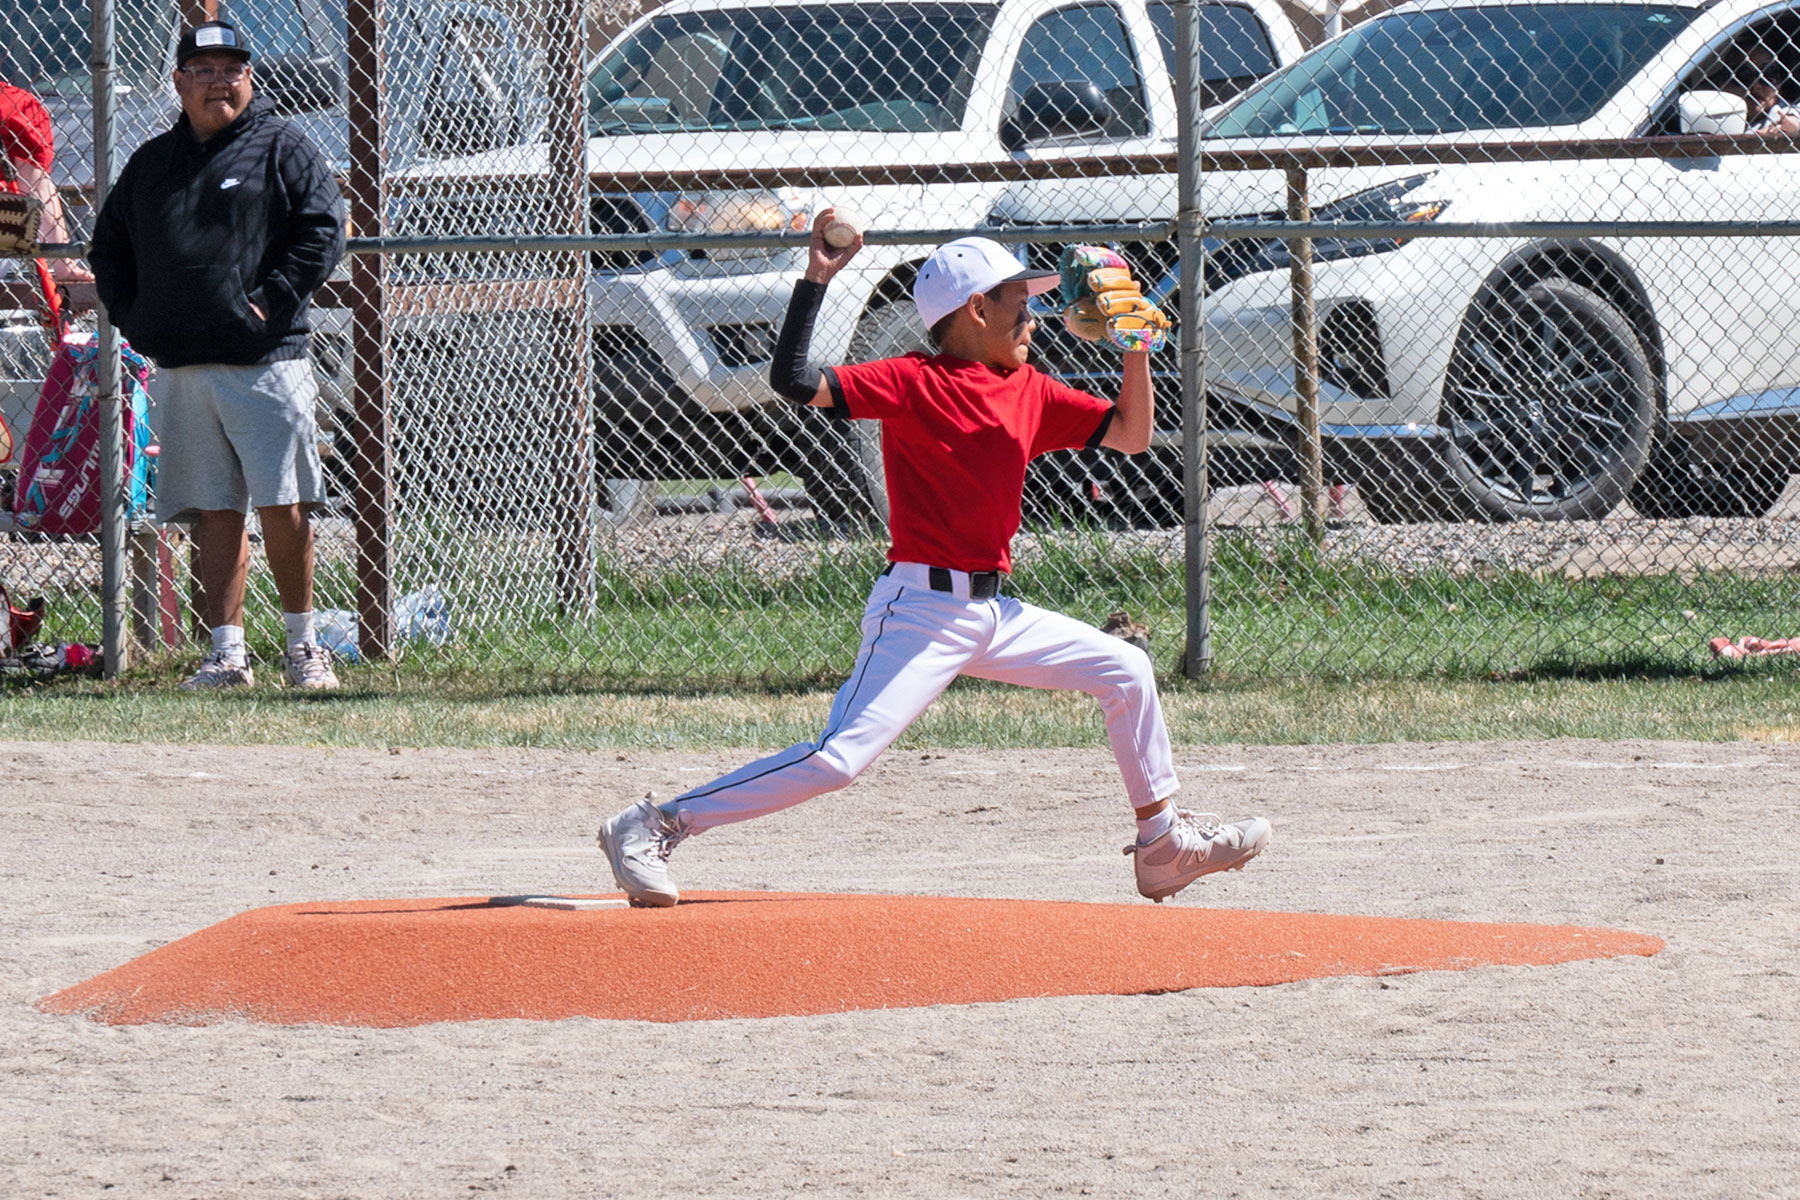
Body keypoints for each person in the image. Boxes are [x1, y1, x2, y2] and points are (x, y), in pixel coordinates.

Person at [598, 215, 1272, 907]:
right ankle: (653, 824)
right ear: (976, 309)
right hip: (919, 611)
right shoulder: (913, 381)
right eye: (1019, 302)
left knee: (1125, 668)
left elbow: (1131, 434)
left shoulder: (1030, 390)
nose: (1032, 316)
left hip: (994, 609)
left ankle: (1161, 846)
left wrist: (1137, 351)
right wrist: (818, 278)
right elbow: (794, 378)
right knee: (838, 760)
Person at [88, 20, 346, 690]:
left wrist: (271, 303)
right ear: (178, 83)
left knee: (284, 503)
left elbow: (324, 231)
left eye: (231, 68)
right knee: (213, 509)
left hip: (266, 363)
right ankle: (227, 654)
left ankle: (302, 647)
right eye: (202, 70)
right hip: (181, 369)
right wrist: (140, 320)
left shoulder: (282, 146)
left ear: (250, 77)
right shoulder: (151, 164)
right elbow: (109, 249)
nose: (218, 81)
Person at [0, 77, 91, 284]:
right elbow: (34, 184)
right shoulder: (15, 102)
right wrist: (64, 265)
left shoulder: (14, 103)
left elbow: (34, 182)